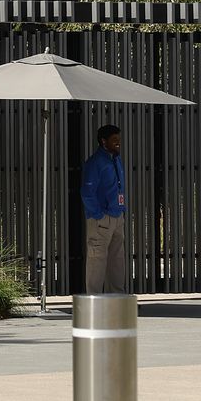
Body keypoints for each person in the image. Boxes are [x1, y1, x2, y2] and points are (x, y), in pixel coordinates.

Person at [81, 124, 129, 294]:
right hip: (102, 219)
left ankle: (117, 297)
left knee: (117, 259)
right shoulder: (95, 162)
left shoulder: (116, 159)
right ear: (103, 141)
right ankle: (94, 298)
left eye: (119, 139)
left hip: (117, 216)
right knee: (97, 259)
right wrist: (98, 215)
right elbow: (87, 192)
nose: (118, 143)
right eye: (114, 140)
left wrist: (121, 210)